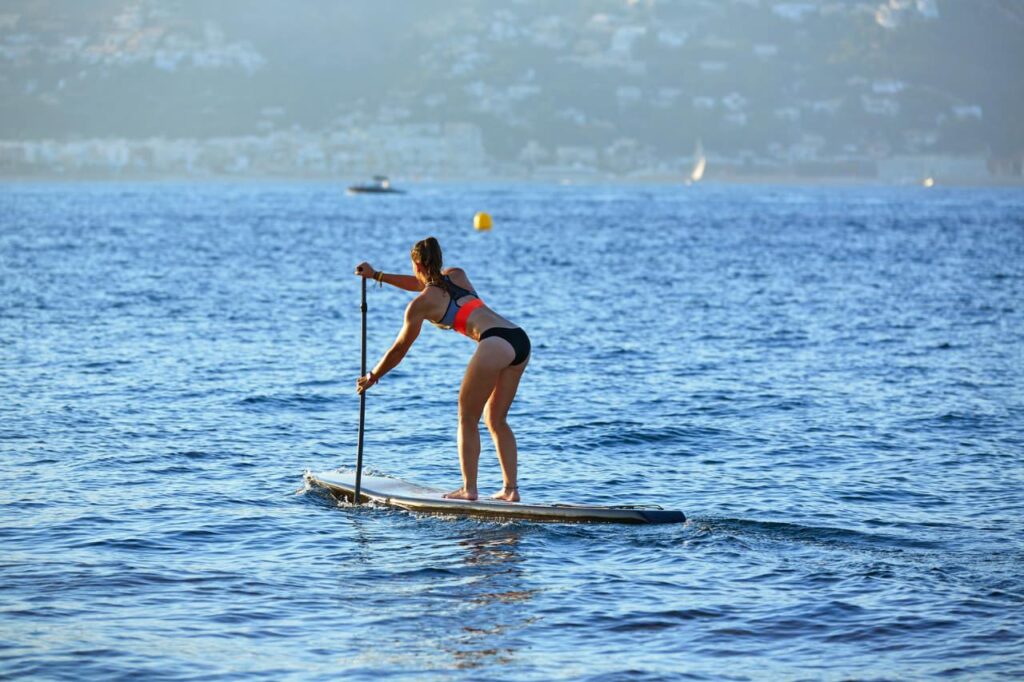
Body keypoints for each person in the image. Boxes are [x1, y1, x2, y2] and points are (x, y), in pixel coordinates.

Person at [354, 237, 530, 502]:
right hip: (519, 339)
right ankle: (511, 489)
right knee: (495, 419)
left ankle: (469, 489)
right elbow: (421, 283)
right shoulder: (457, 275)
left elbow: (399, 349)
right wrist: (377, 275)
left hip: (494, 343)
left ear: (417, 264)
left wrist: (373, 375)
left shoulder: (420, 305)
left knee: (467, 417)